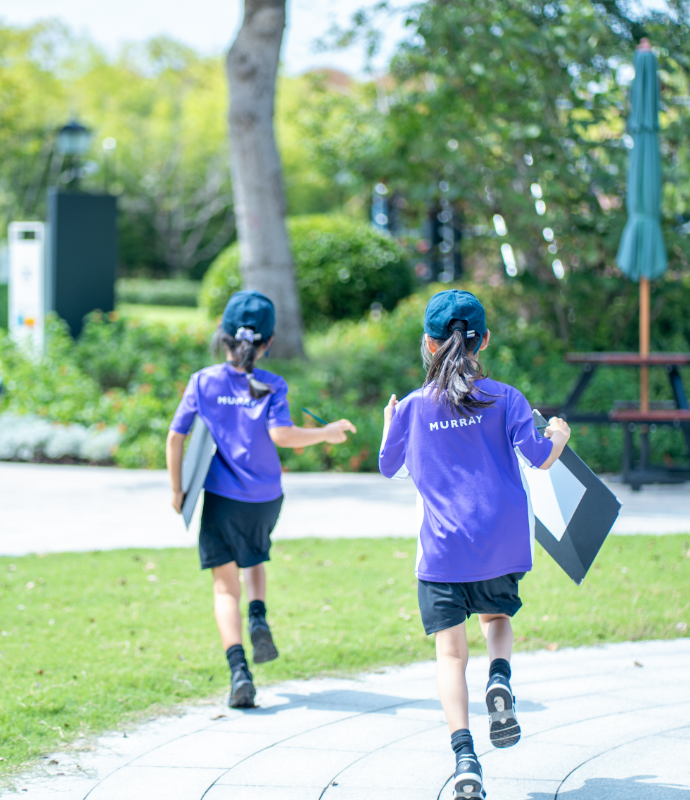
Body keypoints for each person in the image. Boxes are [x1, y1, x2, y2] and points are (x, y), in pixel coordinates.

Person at [378, 289, 570, 800]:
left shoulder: (413, 407)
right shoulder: (505, 397)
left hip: (443, 551)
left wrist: (387, 425)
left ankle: (465, 757)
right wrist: (560, 434)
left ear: (429, 343)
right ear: (483, 340)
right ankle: (501, 679)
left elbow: (388, 466)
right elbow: (539, 456)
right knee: (497, 619)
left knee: (450, 656)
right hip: (501, 542)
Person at [167, 290, 356, 708]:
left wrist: (177, 488)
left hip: (221, 497)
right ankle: (259, 616)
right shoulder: (271, 384)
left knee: (223, 588)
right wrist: (326, 432)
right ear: (267, 343)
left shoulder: (204, 381)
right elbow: (281, 436)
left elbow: (176, 436)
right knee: (255, 556)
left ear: (223, 337)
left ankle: (239, 671)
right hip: (266, 497)